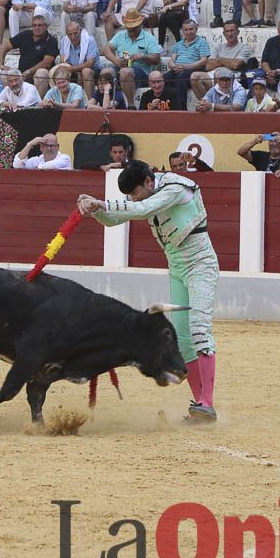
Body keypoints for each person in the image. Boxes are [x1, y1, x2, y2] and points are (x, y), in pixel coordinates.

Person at [79, 160, 221, 422]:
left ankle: (207, 402)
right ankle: (200, 404)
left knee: (199, 328)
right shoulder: (150, 193)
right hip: (177, 267)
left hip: (201, 264)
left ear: (148, 181)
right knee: (183, 337)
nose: (133, 199)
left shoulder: (176, 187)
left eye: (134, 192)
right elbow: (117, 218)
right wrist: (95, 209)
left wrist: (103, 203)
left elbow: (143, 207)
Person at [103, 7, 161, 101]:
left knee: (125, 72)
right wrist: (116, 60)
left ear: (140, 25)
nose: (131, 29)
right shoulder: (120, 35)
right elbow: (106, 48)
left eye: (134, 27)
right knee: (106, 73)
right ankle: (107, 103)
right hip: (122, 67)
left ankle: (130, 105)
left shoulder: (149, 38)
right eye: (129, 27)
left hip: (142, 73)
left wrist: (142, 56)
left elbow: (157, 59)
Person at [0, 14, 59, 96]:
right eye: (34, 25)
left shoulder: (51, 40)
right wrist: (1, 64)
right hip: (22, 74)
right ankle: (12, 103)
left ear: (46, 26)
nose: (37, 27)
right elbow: (4, 46)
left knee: (42, 73)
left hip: (38, 75)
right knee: (4, 74)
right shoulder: (25, 35)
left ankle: (37, 106)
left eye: (40, 25)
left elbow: (46, 63)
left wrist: (29, 71)